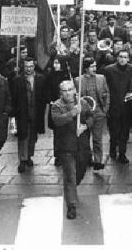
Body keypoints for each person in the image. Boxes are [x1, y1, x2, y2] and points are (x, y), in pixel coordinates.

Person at [51, 80, 93, 220]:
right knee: (69, 175)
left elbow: (92, 117)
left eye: (70, 89)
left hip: (82, 145)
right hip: (66, 146)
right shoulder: (57, 105)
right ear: (60, 93)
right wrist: (73, 113)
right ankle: (71, 205)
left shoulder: (83, 103)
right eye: (64, 90)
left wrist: (86, 126)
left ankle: (72, 188)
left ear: (75, 90)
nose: (68, 93)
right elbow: (57, 120)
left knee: (80, 172)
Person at [12, 57, 47, 173]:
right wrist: (13, 114)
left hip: (36, 112)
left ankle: (29, 156)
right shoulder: (17, 80)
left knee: (33, 136)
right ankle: (22, 159)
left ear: (34, 65)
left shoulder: (41, 79)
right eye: (26, 66)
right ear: (23, 66)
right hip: (22, 112)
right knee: (23, 136)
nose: (29, 69)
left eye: (31, 66)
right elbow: (14, 98)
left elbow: (44, 96)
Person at [75, 57, 110, 170]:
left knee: (97, 139)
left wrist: (105, 109)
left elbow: (106, 94)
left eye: (95, 66)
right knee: (85, 139)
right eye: (92, 66)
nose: (95, 68)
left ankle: (98, 161)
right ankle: (88, 158)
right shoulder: (77, 80)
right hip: (85, 115)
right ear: (86, 68)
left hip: (99, 113)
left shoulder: (101, 78)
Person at [104, 48, 132, 163]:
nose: (122, 59)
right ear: (117, 58)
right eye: (120, 57)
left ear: (128, 59)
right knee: (114, 130)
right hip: (113, 105)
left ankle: (122, 153)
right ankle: (113, 148)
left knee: (125, 131)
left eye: (125, 57)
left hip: (127, 106)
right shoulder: (109, 70)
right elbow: (105, 88)